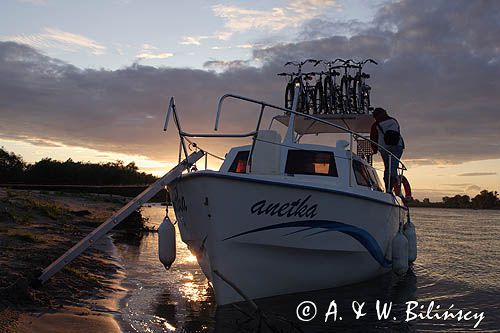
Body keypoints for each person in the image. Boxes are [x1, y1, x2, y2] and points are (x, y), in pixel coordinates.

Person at [369, 107, 405, 192]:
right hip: (398, 146)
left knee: (388, 167)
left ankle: (389, 187)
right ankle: (393, 185)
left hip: (384, 148)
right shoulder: (393, 121)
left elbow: (373, 139)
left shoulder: (375, 125)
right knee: (393, 166)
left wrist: (374, 150)